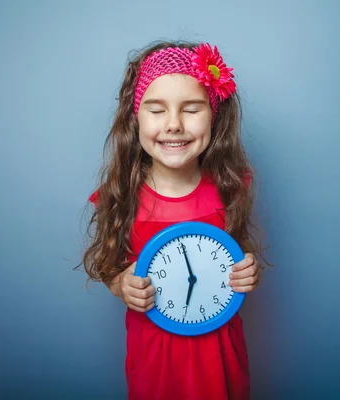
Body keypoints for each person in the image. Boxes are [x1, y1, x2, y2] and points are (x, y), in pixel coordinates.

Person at [80, 40, 269, 400]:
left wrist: (248, 269)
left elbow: (236, 253)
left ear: (214, 115)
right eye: (157, 109)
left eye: (191, 109)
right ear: (136, 118)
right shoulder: (121, 196)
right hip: (156, 359)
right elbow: (110, 269)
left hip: (221, 353)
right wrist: (122, 284)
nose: (174, 124)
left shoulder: (230, 189)